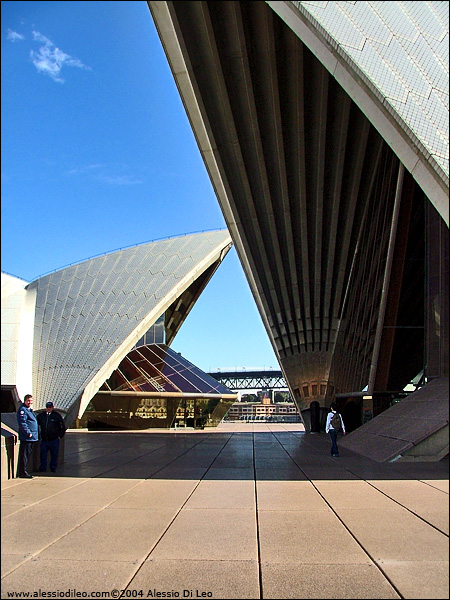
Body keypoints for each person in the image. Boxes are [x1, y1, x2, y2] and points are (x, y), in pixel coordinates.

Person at [36, 401, 66, 473]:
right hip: (44, 439)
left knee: (54, 454)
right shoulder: (41, 416)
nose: (48, 408)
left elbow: (62, 427)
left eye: (50, 407)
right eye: (47, 407)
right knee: (43, 454)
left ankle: (53, 467)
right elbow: (36, 423)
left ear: (52, 407)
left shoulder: (57, 416)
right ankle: (42, 467)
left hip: (54, 439)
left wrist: (60, 436)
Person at [16, 394, 39, 478]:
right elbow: (22, 423)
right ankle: (23, 472)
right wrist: (28, 432)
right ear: (25, 401)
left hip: (33, 437)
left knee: (28, 454)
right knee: (24, 455)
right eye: (28, 401)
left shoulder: (30, 410)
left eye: (31, 401)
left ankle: (26, 470)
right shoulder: (23, 410)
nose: (30, 402)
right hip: (27, 437)